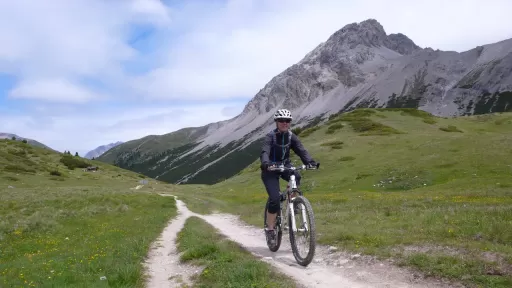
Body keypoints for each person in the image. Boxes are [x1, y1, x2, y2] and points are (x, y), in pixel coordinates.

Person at [260, 108, 319, 245]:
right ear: (276, 122)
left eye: (287, 121)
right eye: (281, 120)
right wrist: (266, 163)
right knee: (274, 199)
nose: (285, 123)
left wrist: (310, 162)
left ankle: (293, 201)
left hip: (285, 166)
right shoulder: (270, 136)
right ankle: (270, 230)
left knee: (296, 176)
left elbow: (301, 150)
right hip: (270, 169)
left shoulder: (292, 136)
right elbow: (265, 151)